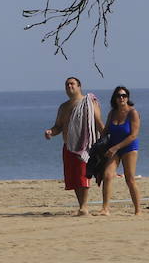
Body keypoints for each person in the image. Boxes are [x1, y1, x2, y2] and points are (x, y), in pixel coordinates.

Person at [44, 76, 104, 216]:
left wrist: (106, 138)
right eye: (67, 84)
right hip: (69, 145)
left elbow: (97, 121)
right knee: (74, 178)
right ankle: (81, 206)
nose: (69, 86)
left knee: (83, 176)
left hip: (85, 145)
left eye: (72, 84)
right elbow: (58, 126)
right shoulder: (64, 107)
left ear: (79, 86)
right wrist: (50, 132)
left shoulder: (89, 102)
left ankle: (84, 207)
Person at [99, 86, 142, 216]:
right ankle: (105, 208)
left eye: (124, 95)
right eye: (119, 96)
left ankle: (138, 210)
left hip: (129, 147)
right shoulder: (112, 113)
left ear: (127, 98)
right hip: (113, 148)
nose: (121, 98)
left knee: (129, 179)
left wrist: (116, 147)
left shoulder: (132, 113)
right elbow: (105, 131)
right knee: (107, 175)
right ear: (115, 99)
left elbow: (133, 135)